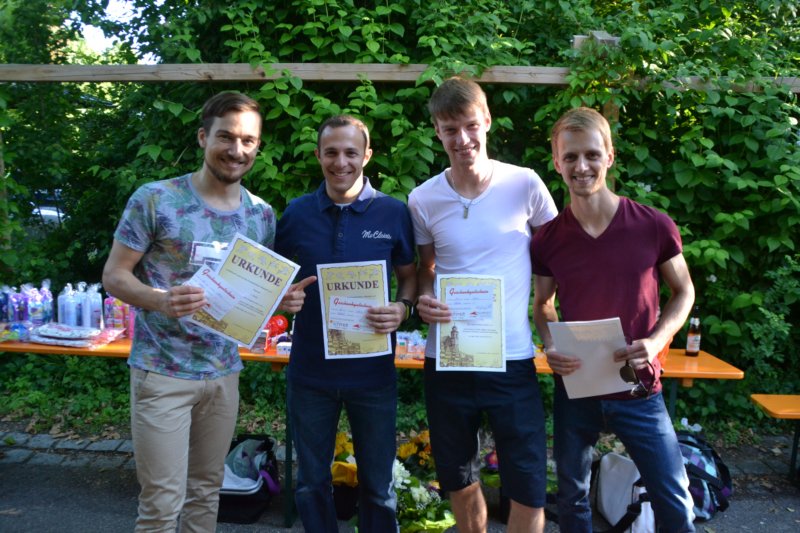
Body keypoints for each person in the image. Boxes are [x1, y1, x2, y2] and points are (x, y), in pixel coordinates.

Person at [102, 91, 310, 532]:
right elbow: (115, 276)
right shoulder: (156, 199)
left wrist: (281, 301)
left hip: (222, 374)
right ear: (203, 137)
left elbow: (249, 296)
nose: (237, 150)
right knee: (161, 502)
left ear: (258, 146)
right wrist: (160, 299)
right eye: (226, 137)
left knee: (206, 492)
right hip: (163, 372)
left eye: (248, 141)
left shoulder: (260, 215)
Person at [531, 106, 696, 532]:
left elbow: (684, 291)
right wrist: (551, 344)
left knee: (673, 499)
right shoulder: (548, 239)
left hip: (639, 388)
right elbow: (543, 304)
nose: (581, 166)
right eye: (570, 157)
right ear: (556, 162)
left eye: (591, 154)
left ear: (610, 156)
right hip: (577, 387)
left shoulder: (653, 225)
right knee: (572, 498)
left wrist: (656, 341)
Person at [408, 76, 558, 533]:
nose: (463, 139)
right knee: (457, 472)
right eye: (450, 129)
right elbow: (425, 270)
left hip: (512, 358)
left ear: (487, 121)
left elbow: (556, 255)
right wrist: (425, 299)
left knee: (528, 479)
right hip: (449, 358)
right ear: (437, 131)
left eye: (470, 125)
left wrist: (546, 309)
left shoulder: (525, 184)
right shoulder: (422, 198)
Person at [274, 115, 416, 532]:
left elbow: (410, 277)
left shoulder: (393, 212)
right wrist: (283, 299)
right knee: (310, 484)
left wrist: (403, 308)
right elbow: (275, 279)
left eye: (351, 152)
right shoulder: (297, 213)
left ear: (367, 155)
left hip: (372, 375)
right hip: (310, 373)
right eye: (331, 152)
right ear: (318, 155)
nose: (341, 162)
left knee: (378, 487)